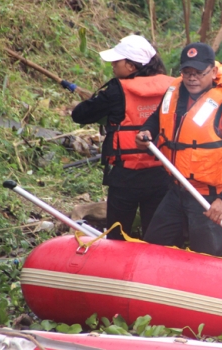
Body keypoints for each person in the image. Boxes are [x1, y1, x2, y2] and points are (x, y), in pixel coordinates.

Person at [136, 42, 222, 255]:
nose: (192, 78)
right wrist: (147, 131)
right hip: (176, 190)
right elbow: (157, 118)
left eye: (199, 72)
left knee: (205, 256)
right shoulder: (174, 93)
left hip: (209, 198)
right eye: (187, 72)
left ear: (213, 71)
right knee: (154, 243)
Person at [72, 35, 174, 240]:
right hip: (162, 172)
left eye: (116, 62)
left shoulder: (117, 90)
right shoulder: (173, 87)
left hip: (126, 176)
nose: (112, 65)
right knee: (156, 237)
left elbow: (79, 115)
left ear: (131, 66)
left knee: (118, 235)